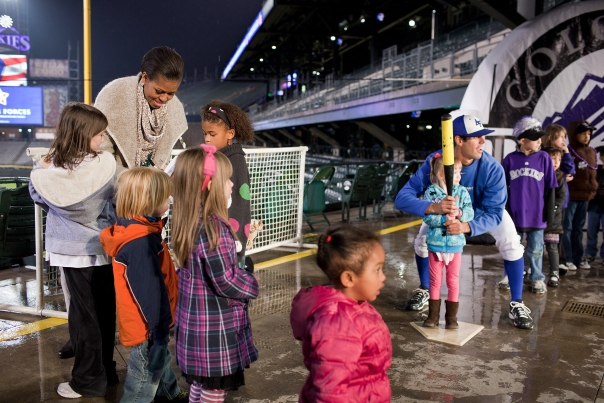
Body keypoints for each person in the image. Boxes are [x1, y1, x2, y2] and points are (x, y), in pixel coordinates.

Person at [395, 115, 534, 329]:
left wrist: (466, 226)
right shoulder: (436, 161)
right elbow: (402, 198)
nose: (482, 142)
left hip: (480, 213)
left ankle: (517, 302)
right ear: (459, 140)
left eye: (482, 137)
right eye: (476, 137)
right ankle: (425, 289)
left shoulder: (491, 168)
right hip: (445, 209)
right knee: (422, 241)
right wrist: (433, 208)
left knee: (512, 243)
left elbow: (495, 212)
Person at [29, 103, 118, 398]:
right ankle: (106, 371)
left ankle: (87, 381)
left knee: (83, 318)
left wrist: (41, 167)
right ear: (83, 134)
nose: (103, 140)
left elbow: (38, 195)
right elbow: (116, 200)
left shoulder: (51, 169)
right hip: (103, 247)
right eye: (99, 134)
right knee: (104, 314)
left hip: (71, 251)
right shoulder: (107, 164)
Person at [171, 146, 259, 403]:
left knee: (200, 385)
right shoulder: (214, 229)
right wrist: (251, 283)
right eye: (227, 179)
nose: (232, 184)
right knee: (214, 391)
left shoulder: (189, 221)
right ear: (209, 185)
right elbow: (226, 280)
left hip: (194, 327)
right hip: (214, 330)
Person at [99, 168, 188, 403]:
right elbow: (148, 291)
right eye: (164, 197)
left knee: (159, 359)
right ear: (148, 201)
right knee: (143, 378)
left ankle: (170, 394)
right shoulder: (140, 243)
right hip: (148, 324)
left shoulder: (138, 230)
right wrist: (158, 327)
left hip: (148, 321)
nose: (169, 200)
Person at [290, 225, 391, 402]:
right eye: (377, 270)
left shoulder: (357, 307)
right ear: (349, 278)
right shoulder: (337, 324)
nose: (383, 277)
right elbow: (329, 392)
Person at [95, 46, 188, 176]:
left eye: (171, 93)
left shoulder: (174, 109)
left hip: (153, 190)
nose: (164, 98)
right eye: (159, 91)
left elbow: (164, 160)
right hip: (114, 188)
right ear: (145, 78)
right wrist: (133, 182)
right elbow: (101, 156)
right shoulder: (114, 97)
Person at [502, 117, 557, 294]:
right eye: (535, 138)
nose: (540, 141)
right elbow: (502, 188)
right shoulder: (510, 159)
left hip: (537, 214)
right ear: (522, 140)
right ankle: (509, 276)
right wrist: (504, 212)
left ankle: (537, 277)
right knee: (511, 248)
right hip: (515, 214)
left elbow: (551, 188)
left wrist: (549, 213)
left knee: (535, 250)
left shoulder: (544, 158)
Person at [201, 100, 254, 268]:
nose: (207, 139)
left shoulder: (235, 161)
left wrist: (235, 242)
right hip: (217, 236)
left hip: (228, 244)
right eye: (205, 134)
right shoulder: (218, 157)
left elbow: (239, 205)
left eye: (212, 134)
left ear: (230, 134)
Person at [422, 156, 474, 329]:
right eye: (455, 172)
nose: (459, 176)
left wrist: (459, 213)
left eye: (460, 172)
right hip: (435, 244)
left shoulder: (462, 192)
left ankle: (451, 318)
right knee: (435, 281)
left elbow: (470, 212)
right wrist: (443, 219)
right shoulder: (431, 192)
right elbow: (427, 217)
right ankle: (433, 316)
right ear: (442, 174)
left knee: (453, 280)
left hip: (455, 244)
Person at [563, 120, 598, 270]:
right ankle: (567, 258)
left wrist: (593, 190)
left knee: (578, 229)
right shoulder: (569, 151)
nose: (586, 136)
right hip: (571, 197)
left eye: (589, 134)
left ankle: (578, 258)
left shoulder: (591, 151)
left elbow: (592, 174)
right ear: (574, 135)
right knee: (567, 228)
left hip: (585, 197)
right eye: (583, 133)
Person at [542, 124, 575, 274]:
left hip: (561, 201)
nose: (563, 140)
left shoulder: (563, 155)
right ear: (550, 137)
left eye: (564, 137)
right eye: (560, 137)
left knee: (559, 231)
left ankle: (560, 262)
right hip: (544, 201)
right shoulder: (542, 154)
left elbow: (570, 171)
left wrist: (566, 152)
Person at [542, 147, 567, 287]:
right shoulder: (540, 175)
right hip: (538, 219)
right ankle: (533, 271)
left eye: (559, 159)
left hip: (553, 220)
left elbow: (561, 197)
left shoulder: (559, 177)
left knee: (552, 247)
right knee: (536, 247)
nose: (556, 162)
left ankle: (554, 274)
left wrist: (553, 209)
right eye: (553, 159)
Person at [584, 147, 604, 265]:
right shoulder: (596, 171)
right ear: (601, 158)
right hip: (594, 206)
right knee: (591, 231)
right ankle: (590, 253)